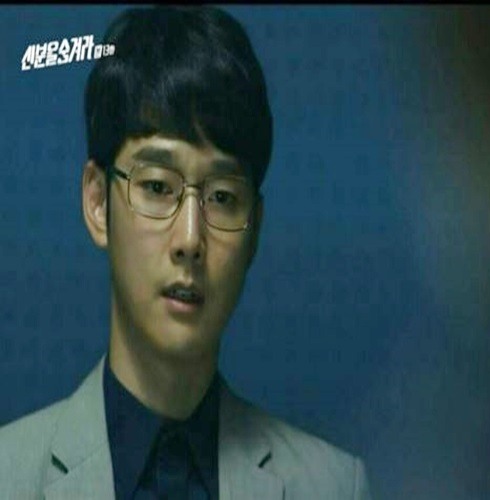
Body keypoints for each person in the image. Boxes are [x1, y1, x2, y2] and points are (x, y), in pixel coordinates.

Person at [0, 6, 372, 499]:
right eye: (157, 186)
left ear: (255, 230)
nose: (190, 240)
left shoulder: (333, 486)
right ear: (97, 202)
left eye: (222, 196)